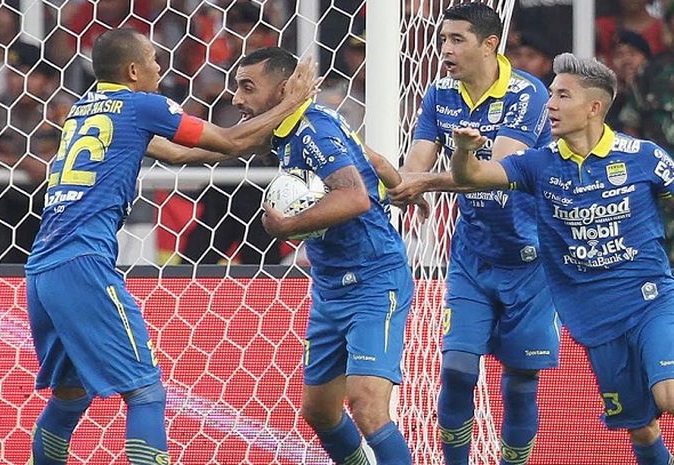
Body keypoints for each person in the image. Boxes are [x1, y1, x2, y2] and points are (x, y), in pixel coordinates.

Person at [24, 28, 316, 465]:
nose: (161, 67)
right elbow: (231, 140)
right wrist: (294, 101)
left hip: (42, 268)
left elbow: (179, 154)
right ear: (132, 70)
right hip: (83, 264)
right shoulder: (143, 104)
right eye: (154, 59)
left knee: (70, 395)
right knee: (144, 392)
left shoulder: (81, 111)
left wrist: (253, 134)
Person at [450, 52, 674, 465]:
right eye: (550, 93)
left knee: (668, 393)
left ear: (594, 107)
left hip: (651, 301)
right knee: (642, 428)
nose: (549, 104)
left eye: (562, 95)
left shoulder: (644, 157)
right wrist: (465, 152)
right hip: (596, 319)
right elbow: (474, 179)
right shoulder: (540, 164)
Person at [387, 4, 560, 465]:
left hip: (532, 260)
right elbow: (414, 165)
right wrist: (402, 185)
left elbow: (496, 172)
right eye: (443, 39)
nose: (445, 49)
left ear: (489, 45)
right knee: (457, 368)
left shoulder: (528, 93)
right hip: (472, 255)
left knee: (521, 381)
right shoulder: (439, 93)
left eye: (457, 39)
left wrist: (429, 179)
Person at [232, 46, 420, 465]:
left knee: (367, 406)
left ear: (283, 90)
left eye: (247, 87)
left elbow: (354, 198)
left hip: (373, 277)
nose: (237, 99)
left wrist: (284, 227)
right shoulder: (295, 129)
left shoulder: (311, 130)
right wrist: (398, 181)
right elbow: (366, 154)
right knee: (319, 412)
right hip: (331, 284)